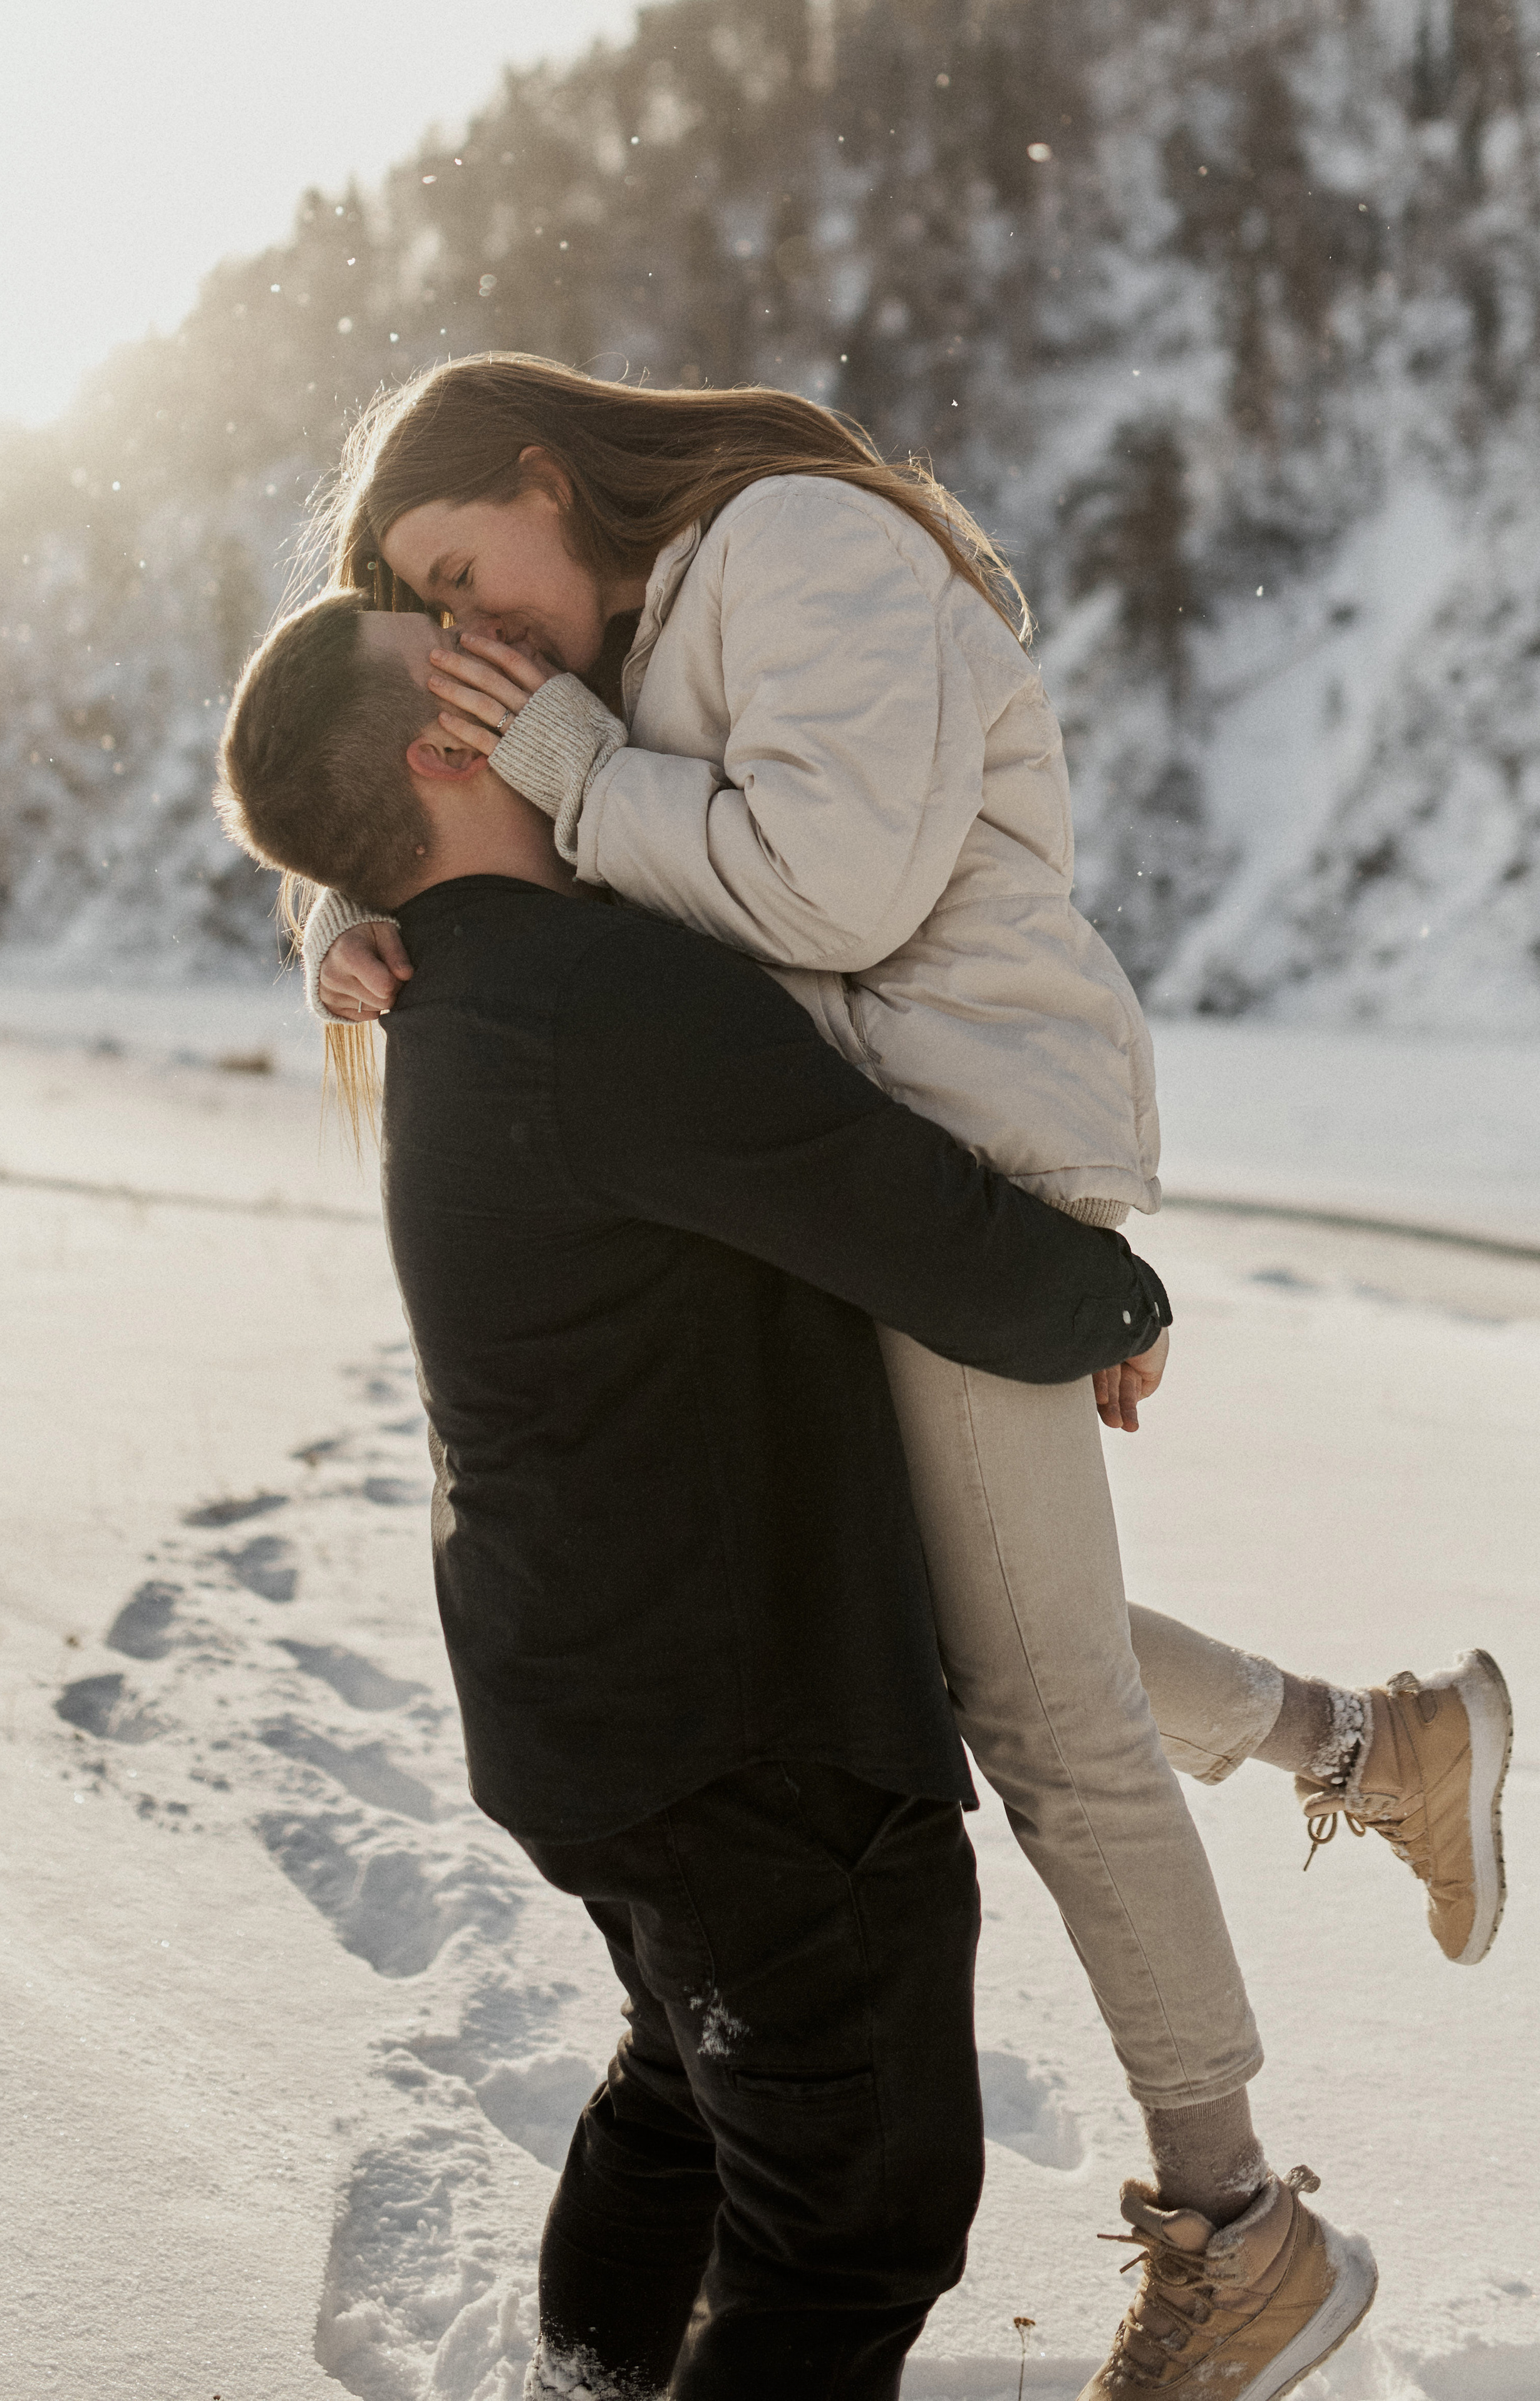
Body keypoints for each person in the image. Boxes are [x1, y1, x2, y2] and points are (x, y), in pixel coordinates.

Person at [215, 589, 1383, 2400]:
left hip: (589, 1719)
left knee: (685, 2092)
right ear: (451, 749)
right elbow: (902, 1215)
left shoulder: (466, 985)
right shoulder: (600, 994)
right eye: (448, 645)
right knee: (856, 2223)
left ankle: (583, 2381)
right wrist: (1114, 1299)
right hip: (752, 1742)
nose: (504, 641)